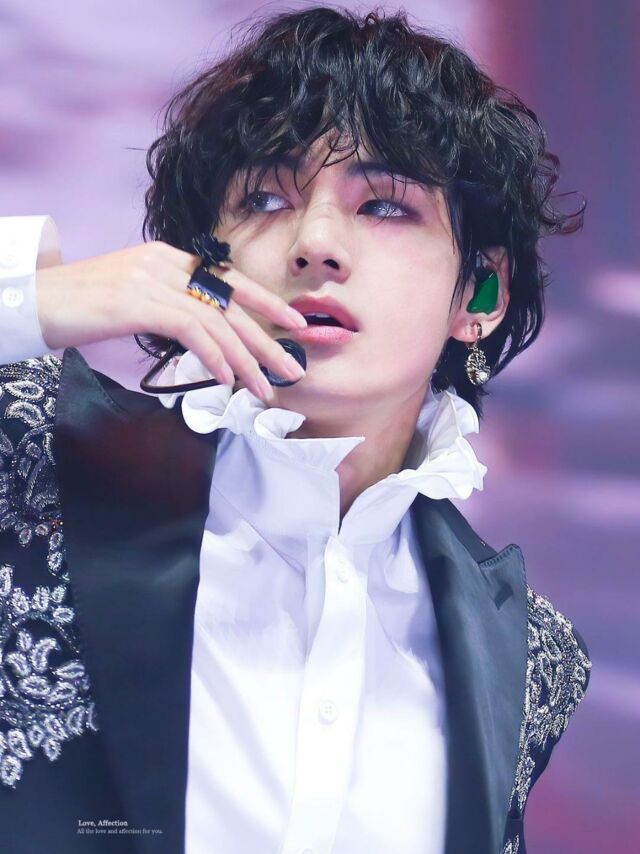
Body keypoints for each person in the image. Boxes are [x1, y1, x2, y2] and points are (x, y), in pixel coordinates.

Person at [0, 6, 591, 854]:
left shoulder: (532, 653)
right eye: (266, 198)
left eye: (384, 205)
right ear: (207, 260)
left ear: (480, 295)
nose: (314, 244)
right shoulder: (36, 457)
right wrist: (38, 296)